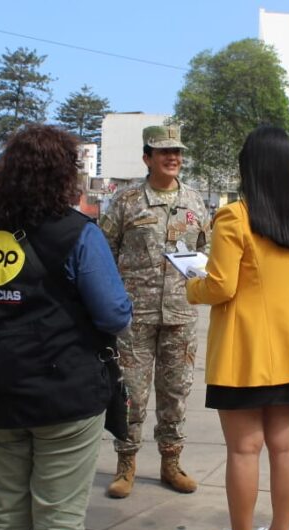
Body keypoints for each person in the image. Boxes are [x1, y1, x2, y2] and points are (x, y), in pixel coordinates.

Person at [0, 124, 132, 530]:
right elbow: (112, 315)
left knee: (5, 516)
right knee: (59, 521)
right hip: (64, 395)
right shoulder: (78, 233)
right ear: (63, 177)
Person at [186, 125, 289, 530]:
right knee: (286, 447)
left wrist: (192, 285)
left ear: (249, 168)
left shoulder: (233, 216)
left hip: (243, 352)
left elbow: (221, 286)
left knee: (244, 450)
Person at [98, 124, 212, 499]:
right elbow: (103, 252)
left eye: (177, 151)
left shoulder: (195, 202)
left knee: (176, 392)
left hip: (181, 315)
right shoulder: (127, 201)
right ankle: (126, 464)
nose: (172, 157)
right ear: (147, 157)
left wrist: (200, 272)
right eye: (163, 152)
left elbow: (209, 256)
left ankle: (171, 462)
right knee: (131, 393)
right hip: (135, 317)